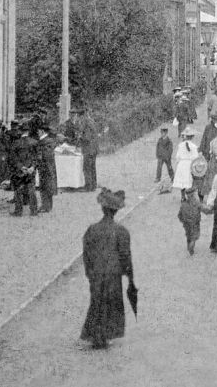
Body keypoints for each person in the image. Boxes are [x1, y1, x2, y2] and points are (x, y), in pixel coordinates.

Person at [81, 188, 134, 349]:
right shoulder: (121, 231)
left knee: (96, 301)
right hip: (113, 273)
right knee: (111, 302)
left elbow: (86, 252)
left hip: (96, 272)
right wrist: (128, 272)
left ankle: (96, 335)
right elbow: (125, 255)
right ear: (116, 211)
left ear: (103, 209)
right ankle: (106, 334)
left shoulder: (92, 229)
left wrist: (89, 271)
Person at [9, 122, 39, 217]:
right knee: (31, 190)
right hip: (30, 170)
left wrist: (21, 167)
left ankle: (18, 211)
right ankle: (33, 211)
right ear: (28, 131)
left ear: (20, 131)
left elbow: (13, 158)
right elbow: (38, 157)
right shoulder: (34, 142)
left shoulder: (16, 143)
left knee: (18, 190)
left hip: (20, 171)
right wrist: (32, 167)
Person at [65, 108, 100, 191]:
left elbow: (87, 138)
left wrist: (80, 138)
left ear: (82, 116)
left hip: (89, 149)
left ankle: (88, 186)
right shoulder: (91, 121)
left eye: (80, 117)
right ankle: (93, 185)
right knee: (92, 168)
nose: (80, 120)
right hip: (94, 148)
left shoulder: (87, 122)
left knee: (87, 168)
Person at [178, 187, 209, 255]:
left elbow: (179, 214)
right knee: (194, 236)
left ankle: (188, 245)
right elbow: (205, 210)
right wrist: (211, 210)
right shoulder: (197, 203)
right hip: (195, 222)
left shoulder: (184, 204)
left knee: (188, 234)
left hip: (186, 223)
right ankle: (191, 248)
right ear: (193, 195)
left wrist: (183, 220)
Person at [37, 124, 58, 213]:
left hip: (45, 168)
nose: (37, 133)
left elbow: (43, 157)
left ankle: (46, 206)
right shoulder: (49, 141)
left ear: (42, 131)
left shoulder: (44, 142)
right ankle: (48, 206)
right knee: (47, 186)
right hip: (49, 168)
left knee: (45, 186)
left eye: (38, 131)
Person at [173, 126, 199, 191]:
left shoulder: (180, 145)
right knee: (188, 179)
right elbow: (196, 157)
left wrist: (178, 163)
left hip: (182, 164)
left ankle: (182, 196)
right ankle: (189, 195)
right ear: (192, 137)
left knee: (182, 180)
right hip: (189, 164)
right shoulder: (193, 146)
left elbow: (177, 156)